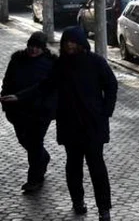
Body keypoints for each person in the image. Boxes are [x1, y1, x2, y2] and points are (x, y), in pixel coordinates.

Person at [1, 27, 117, 221]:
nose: (70, 45)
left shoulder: (96, 62)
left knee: (97, 168)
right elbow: (44, 87)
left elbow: (111, 86)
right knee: (73, 166)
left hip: (92, 125)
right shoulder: (61, 65)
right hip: (69, 124)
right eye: (66, 42)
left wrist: (106, 112)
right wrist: (19, 97)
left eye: (73, 42)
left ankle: (104, 208)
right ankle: (77, 201)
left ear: (81, 43)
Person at [0, 32, 57, 193]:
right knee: (25, 141)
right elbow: (8, 80)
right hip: (17, 110)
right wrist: (4, 97)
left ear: (43, 48)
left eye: (37, 47)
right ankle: (43, 159)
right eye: (31, 46)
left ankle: (34, 179)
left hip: (40, 112)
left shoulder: (51, 63)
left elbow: (49, 88)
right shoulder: (17, 59)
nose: (33, 50)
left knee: (34, 144)